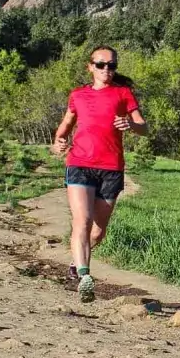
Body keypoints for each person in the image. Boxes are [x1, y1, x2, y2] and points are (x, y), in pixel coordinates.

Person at [51, 46, 147, 302]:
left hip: (111, 168)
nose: (107, 70)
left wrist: (131, 125)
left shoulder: (123, 93)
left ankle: (75, 262)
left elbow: (144, 127)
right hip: (80, 163)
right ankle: (85, 276)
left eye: (112, 65)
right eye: (101, 65)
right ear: (90, 66)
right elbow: (64, 127)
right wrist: (59, 141)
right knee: (81, 220)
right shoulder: (78, 95)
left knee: (97, 232)